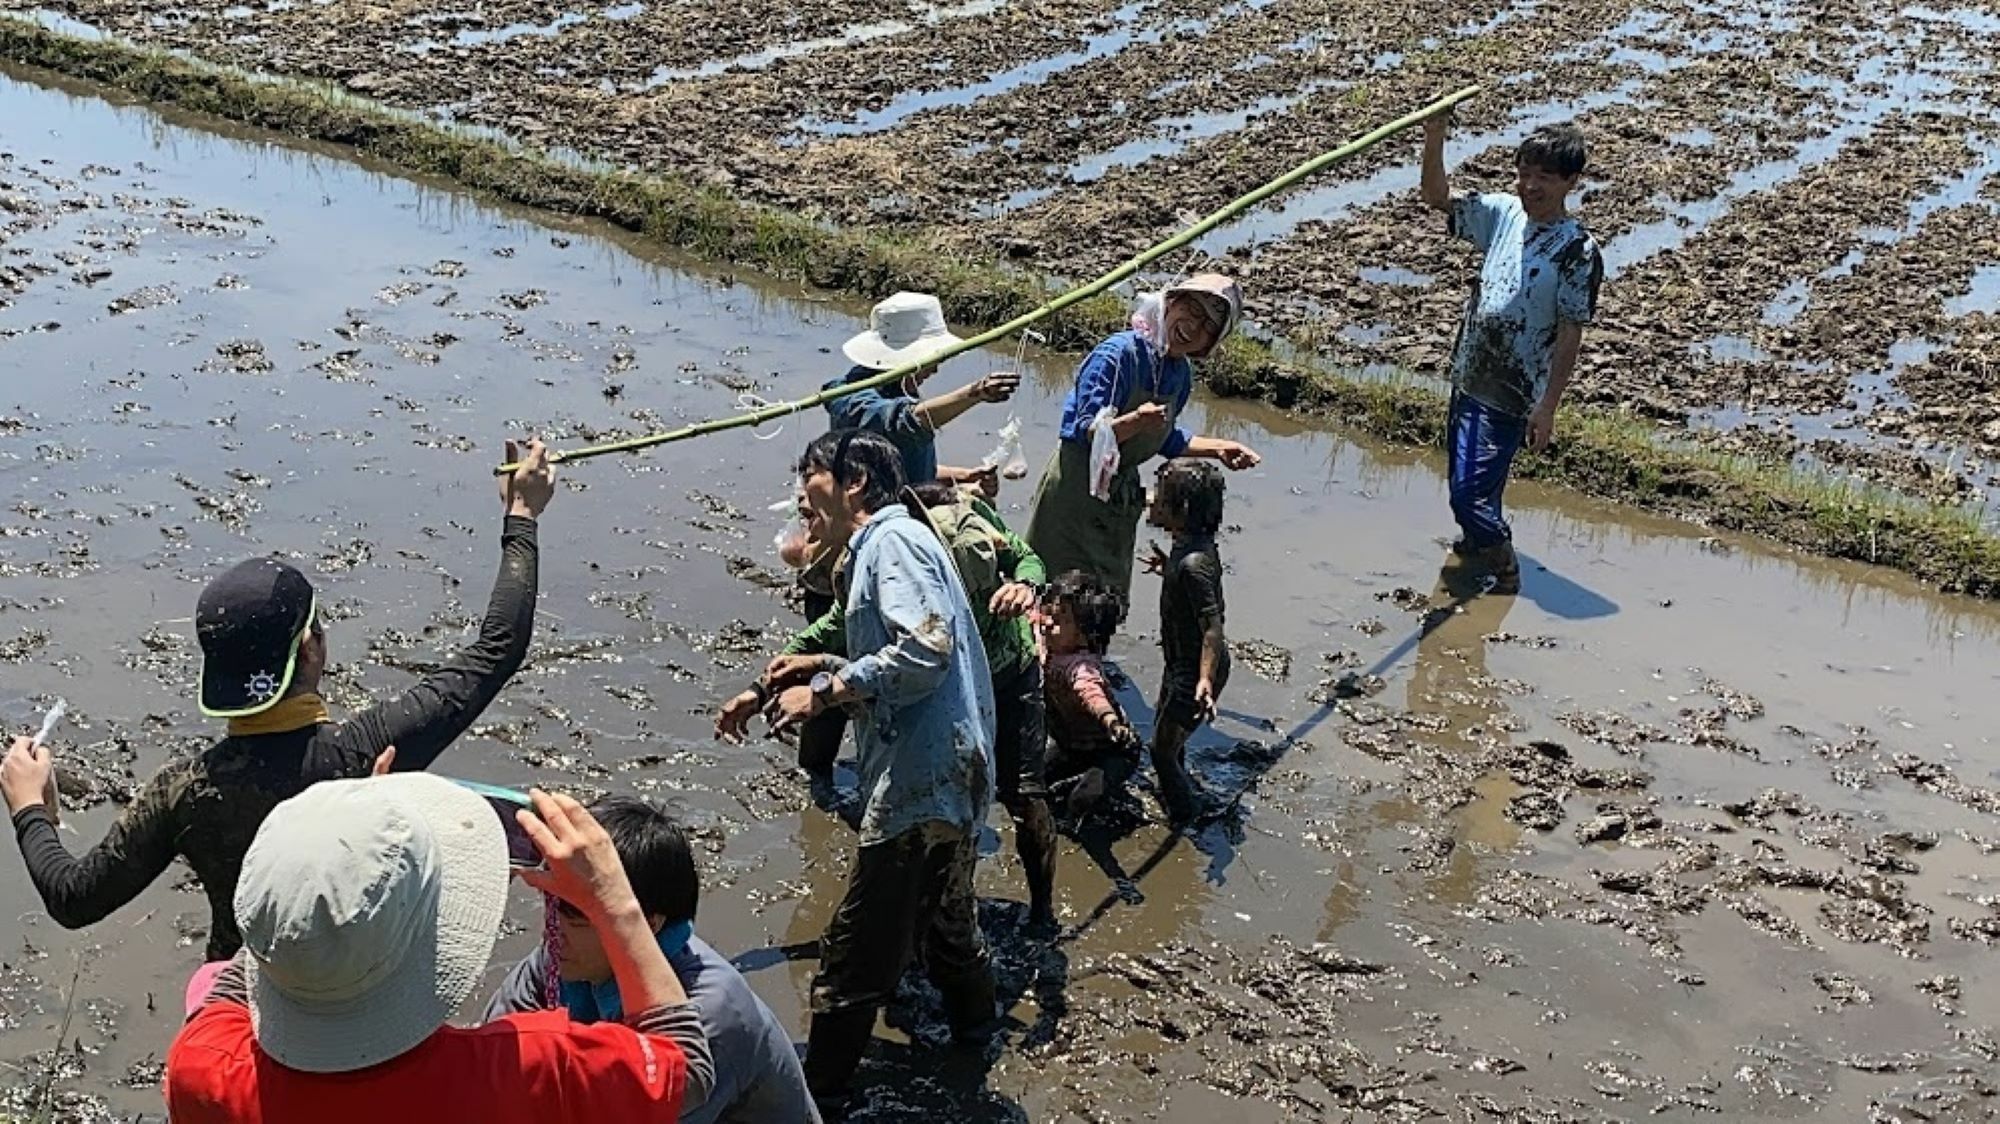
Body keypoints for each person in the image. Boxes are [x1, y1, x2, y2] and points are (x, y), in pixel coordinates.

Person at [0, 440, 557, 961]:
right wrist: (521, 518)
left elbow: (73, 897)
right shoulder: (361, 755)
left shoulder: (185, 792)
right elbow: (495, 651)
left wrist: (32, 810)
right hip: (354, 1001)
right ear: (311, 650)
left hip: (240, 1023)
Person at [165, 775, 715, 1122]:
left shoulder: (206, 1068)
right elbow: (684, 1069)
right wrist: (612, 900)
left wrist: (316, 871)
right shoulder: (529, 1070)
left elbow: (244, 979)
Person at [755, 429, 998, 1113]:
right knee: (947, 929)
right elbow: (906, 655)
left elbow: (925, 653)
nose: (802, 493)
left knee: (852, 960)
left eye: (810, 476)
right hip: (951, 773)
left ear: (853, 480)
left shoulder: (891, 542)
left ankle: (815, 1098)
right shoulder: (891, 544)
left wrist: (826, 693)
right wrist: (821, 664)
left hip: (920, 783)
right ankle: (978, 1039)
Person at [722, 480, 1058, 930]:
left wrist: (1025, 585)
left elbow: (1027, 558)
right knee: (951, 805)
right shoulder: (883, 565)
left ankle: (1041, 910)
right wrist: (759, 688)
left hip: (1005, 670)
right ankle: (949, 911)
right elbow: (831, 628)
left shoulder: (963, 527)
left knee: (1023, 796)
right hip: (951, 686)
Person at [484, 795, 821, 1124]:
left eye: (575, 916)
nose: (552, 931)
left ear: (646, 922)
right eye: (552, 905)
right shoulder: (564, 956)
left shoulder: (710, 1013)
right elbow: (492, 1055)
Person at [1420, 114, 1604, 594]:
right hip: (1471, 371)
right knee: (1470, 484)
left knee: (1468, 494)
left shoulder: (1577, 250)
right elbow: (1438, 198)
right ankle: (1476, 543)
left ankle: (1503, 565)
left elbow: (1570, 334)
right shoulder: (1503, 213)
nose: (1530, 186)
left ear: (1570, 182)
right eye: (1524, 173)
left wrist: (1548, 406)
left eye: (1544, 177)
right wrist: (1434, 136)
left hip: (1513, 387)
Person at [1024, 274, 1261, 606]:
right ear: (1170, 302)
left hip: (1119, 497)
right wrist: (1135, 421)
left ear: (1210, 342)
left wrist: (1219, 448)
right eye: (1191, 309)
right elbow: (1086, 430)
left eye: (1207, 325)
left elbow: (1164, 437)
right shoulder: (1117, 355)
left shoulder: (1179, 373)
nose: (1193, 326)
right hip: (1075, 491)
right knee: (1056, 596)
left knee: (1104, 600)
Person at [825, 290, 1020, 492]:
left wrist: (964, 477)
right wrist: (975, 393)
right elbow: (903, 422)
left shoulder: (902, 390)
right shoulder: (849, 399)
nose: (934, 369)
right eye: (929, 361)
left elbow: (912, 468)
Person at [1143, 460, 1231, 824]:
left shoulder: (1194, 564)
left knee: (1160, 752)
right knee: (1168, 733)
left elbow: (1212, 627)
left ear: (1182, 511)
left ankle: (1188, 816)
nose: (1150, 502)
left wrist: (1205, 679)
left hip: (1194, 670)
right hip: (1181, 663)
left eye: (1160, 499)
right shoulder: (1191, 548)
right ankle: (1174, 792)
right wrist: (1169, 570)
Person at [1037, 570, 1145, 818]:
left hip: (1112, 749)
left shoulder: (1080, 666)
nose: (1048, 622)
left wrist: (1111, 722)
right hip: (1071, 745)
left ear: (1084, 636)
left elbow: (1092, 695)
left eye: (1059, 620)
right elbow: (1033, 614)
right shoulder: (1048, 640)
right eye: (1049, 613)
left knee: (1081, 800)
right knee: (1033, 781)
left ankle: (1078, 834)